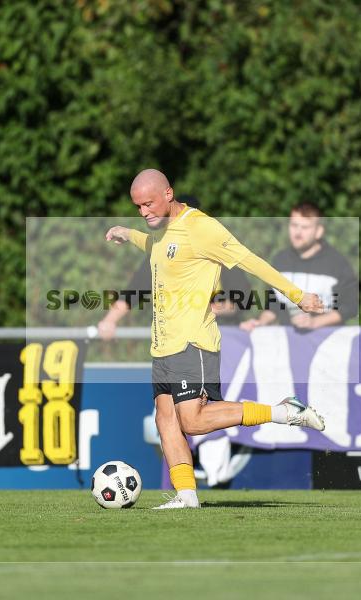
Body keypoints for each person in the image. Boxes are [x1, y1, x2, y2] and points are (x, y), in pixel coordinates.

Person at [105, 169, 327, 509]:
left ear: (168, 194)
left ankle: (284, 411)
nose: (143, 212)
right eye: (137, 207)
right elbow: (152, 245)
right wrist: (126, 232)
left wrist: (297, 296)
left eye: (148, 204)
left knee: (192, 421)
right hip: (163, 345)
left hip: (193, 342)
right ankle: (186, 495)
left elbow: (251, 261)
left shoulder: (202, 228)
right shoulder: (161, 231)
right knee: (164, 417)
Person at [98, 196, 252, 340]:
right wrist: (109, 321)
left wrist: (208, 309)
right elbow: (133, 293)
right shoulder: (161, 251)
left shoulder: (217, 249)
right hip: (175, 339)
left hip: (218, 336)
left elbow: (242, 299)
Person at [239, 201, 357, 332]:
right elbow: (274, 306)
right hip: (288, 345)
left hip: (326, 345)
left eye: (305, 227)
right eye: (294, 225)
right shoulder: (280, 260)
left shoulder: (337, 263)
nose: (298, 232)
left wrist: (314, 322)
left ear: (319, 231)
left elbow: (350, 307)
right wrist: (260, 323)